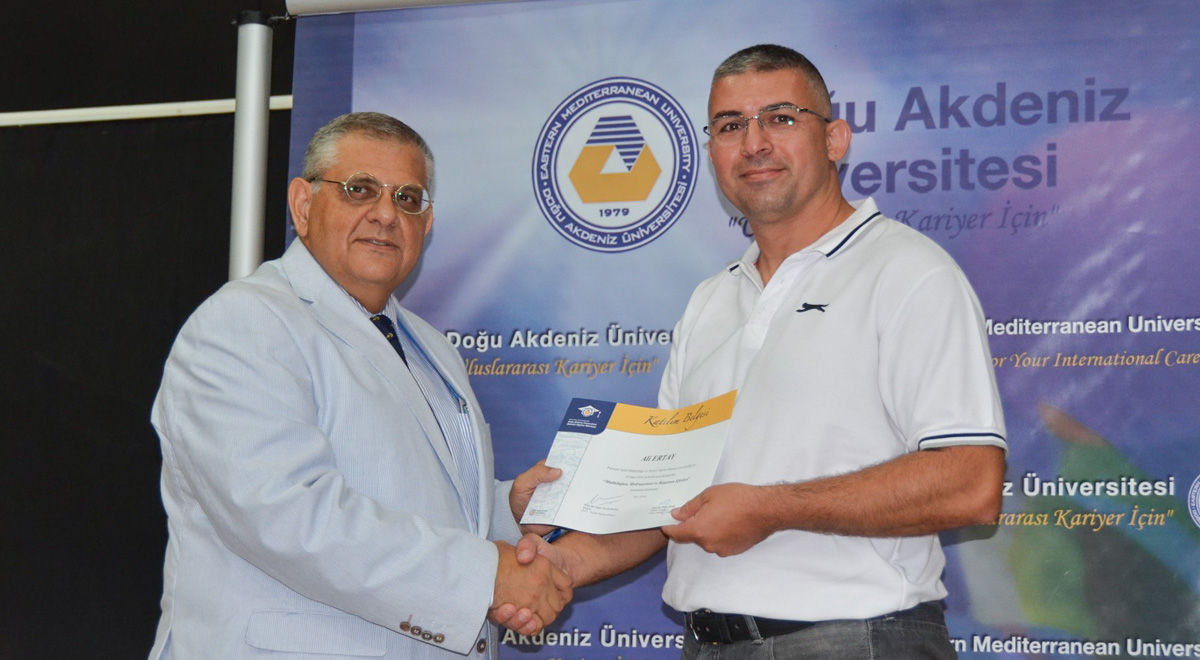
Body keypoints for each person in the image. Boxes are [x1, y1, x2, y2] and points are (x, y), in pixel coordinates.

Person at [513, 44, 1007, 658]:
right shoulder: (710, 300)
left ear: (834, 139)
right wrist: (559, 564)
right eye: (729, 126)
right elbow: (668, 504)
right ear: (712, 152)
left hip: (855, 639)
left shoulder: (909, 273)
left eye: (780, 118)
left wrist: (770, 509)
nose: (753, 144)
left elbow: (971, 482)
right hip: (708, 644)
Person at [149, 112, 570, 659]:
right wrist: (487, 576)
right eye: (360, 189)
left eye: (407, 198)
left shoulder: (430, 347)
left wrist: (504, 511)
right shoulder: (242, 323)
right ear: (303, 205)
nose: (386, 214)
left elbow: (411, 498)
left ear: (427, 223)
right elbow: (289, 516)